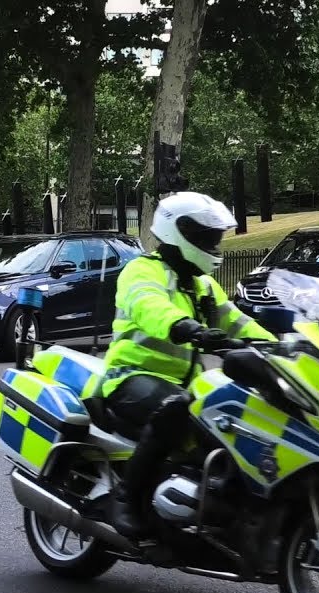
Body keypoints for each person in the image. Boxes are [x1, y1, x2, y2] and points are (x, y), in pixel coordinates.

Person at [98, 191, 276, 537]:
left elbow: (236, 321)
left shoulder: (204, 285)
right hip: (131, 376)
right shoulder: (142, 271)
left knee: (238, 416)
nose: (214, 245)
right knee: (177, 408)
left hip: (186, 385)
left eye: (215, 238)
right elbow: (148, 306)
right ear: (180, 234)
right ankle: (126, 498)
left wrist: (279, 346)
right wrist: (186, 327)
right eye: (208, 238)